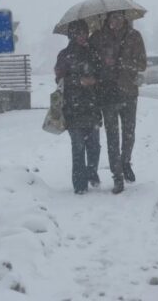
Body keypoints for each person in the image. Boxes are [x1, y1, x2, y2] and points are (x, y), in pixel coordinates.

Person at [90, 11, 147, 194]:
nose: (117, 21)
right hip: (107, 94)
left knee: (129, 134)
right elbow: (90, 62)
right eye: (113, 18)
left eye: (120, 17)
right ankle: (117, 176)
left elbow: (142, 64)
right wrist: (102, 63)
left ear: (125, 18)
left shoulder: (134, 36)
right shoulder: (98, 37)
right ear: (107, 19)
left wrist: (122, 63)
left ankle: (125, 162)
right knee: (112, 137)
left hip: (129, 92)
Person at [54, 20, 102, 194]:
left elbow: (100, 73)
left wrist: (96, 80)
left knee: (95, 146)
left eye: (85, 32)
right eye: (79, 32)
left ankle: (91, 172)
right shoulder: (64, 55)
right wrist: (79, 81)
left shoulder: (93, 52)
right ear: (72, 35)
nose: (83, 35)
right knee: (78, 147)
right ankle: (80, 184)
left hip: (92, 107)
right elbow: (59, 80)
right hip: (73, 108)